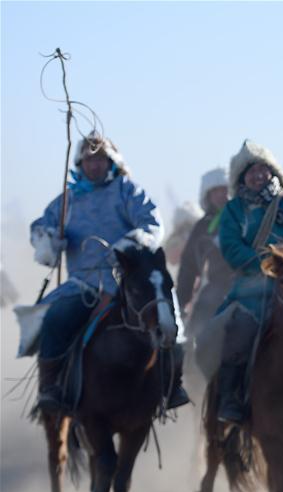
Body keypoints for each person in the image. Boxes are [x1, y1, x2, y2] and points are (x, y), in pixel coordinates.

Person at [29, 131, 189, 413]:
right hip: (83, 283)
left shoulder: (127, 190)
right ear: (81, 163)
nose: (94, 165)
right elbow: (41, 226)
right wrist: (49, 239)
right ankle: (50, 388)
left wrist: (131, 243)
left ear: (111, 162)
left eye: (100, 159)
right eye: (89, 159)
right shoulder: (68, 199)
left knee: (168, 323)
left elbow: (152, 224)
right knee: (55, 318)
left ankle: (172, 384)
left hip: (128, 281)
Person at [214, 140, 283, 424]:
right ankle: (231, 397)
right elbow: (231, 247)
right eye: (250, 172)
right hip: (254, 287)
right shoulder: (234, 210)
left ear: (273, 171)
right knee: (238, 332)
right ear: (241, 178)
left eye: (262, 169)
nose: (257, 175)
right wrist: (265, 264)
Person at [176, 167, 233, 337]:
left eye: (226, 190)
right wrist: (181, 302)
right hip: (212, 291)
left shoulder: (243, 219)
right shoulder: (202, 227)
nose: (222, 195)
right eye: (216, 191)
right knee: (195, 334)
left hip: (242, 287)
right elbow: (188, 266)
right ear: (208, 195)